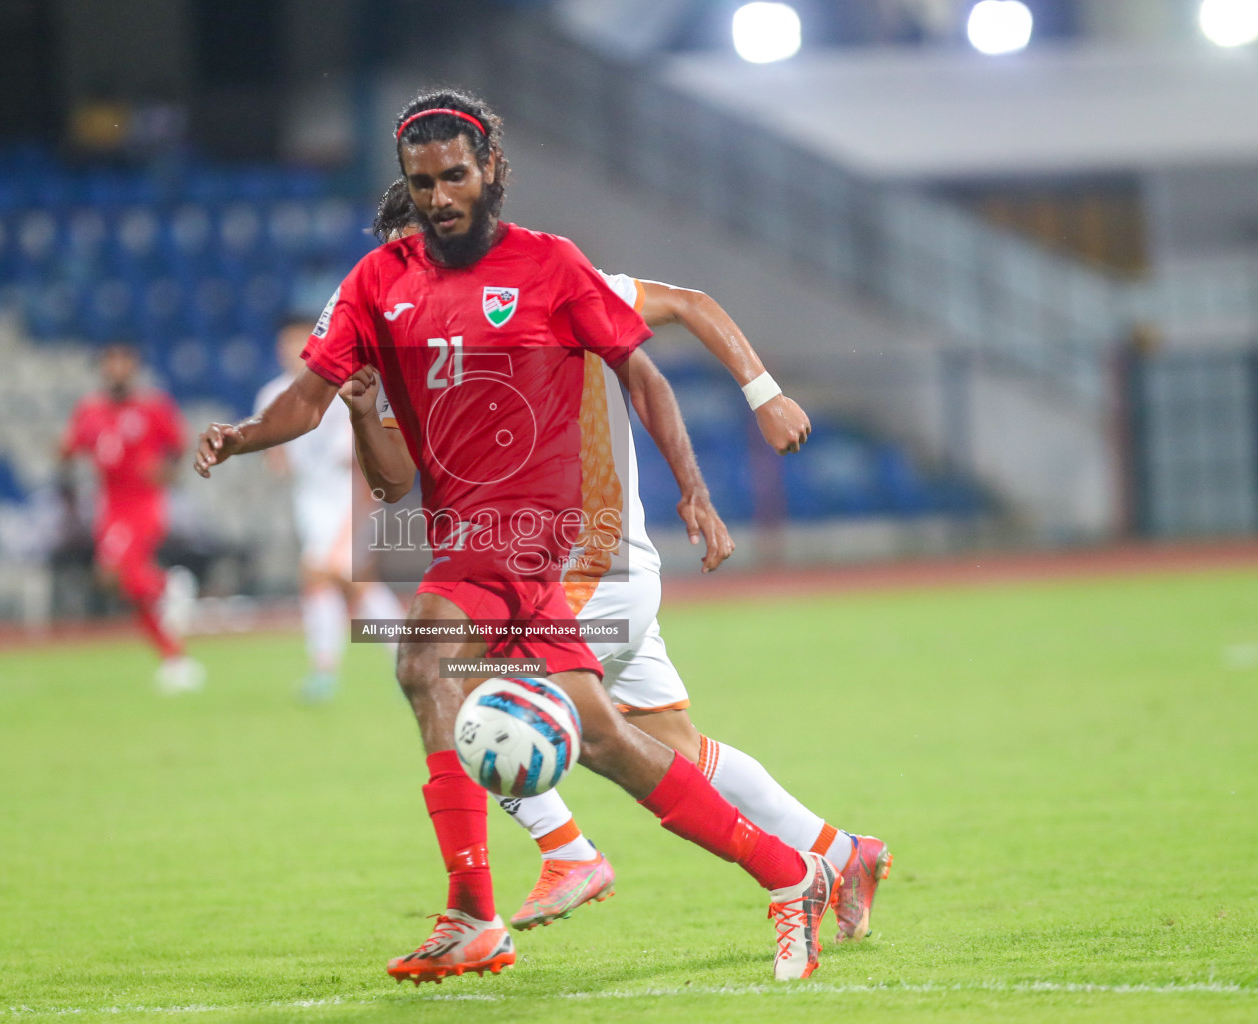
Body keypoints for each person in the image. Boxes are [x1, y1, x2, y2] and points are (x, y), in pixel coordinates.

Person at [195, 89, 838, 983]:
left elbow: (642, 374)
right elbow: (332, 426)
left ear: (490, 168)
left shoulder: (551, 266)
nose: (440, 195)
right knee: (606, 736)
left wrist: (694, 489)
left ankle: (473, 911)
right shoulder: (378, 284)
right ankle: (792, 871)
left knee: (423, 658)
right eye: (422, 182)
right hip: (480, 539)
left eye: (455, 175)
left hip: (531, 535)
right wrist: (243, 435)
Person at [361, 181, 892, 943]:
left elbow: (690, 303)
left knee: (468, 692)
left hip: (590, 565)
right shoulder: (418, 345)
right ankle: (844, 854)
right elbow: (394, 478)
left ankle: (566, 851)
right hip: (550, 571)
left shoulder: (548, 289)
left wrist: (764, 393)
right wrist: (361, 406)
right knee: (675, 746)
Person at [254, 317, 407, 702]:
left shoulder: (344, 390)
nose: (294, 351)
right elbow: (277, 457)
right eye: (287, 343)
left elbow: (362, 459)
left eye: (301, 342)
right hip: (310, 503)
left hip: (348, 499)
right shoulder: (272, 394)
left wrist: (359, 515)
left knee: (325, 574)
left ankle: (331, 668)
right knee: (346, 585)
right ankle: (400, 655)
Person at [60, 343, 202, 694]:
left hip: (143, 502)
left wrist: (166, 472)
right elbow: (69, 448)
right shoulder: (89, 411)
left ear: (134, 366)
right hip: (109, 504)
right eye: (110, 361)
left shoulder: (153, 407)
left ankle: (169, 588)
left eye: (123, 361)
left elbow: (179, 449)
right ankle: (175, 657)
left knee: (119, 571)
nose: (117, 368)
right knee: (122, 584)